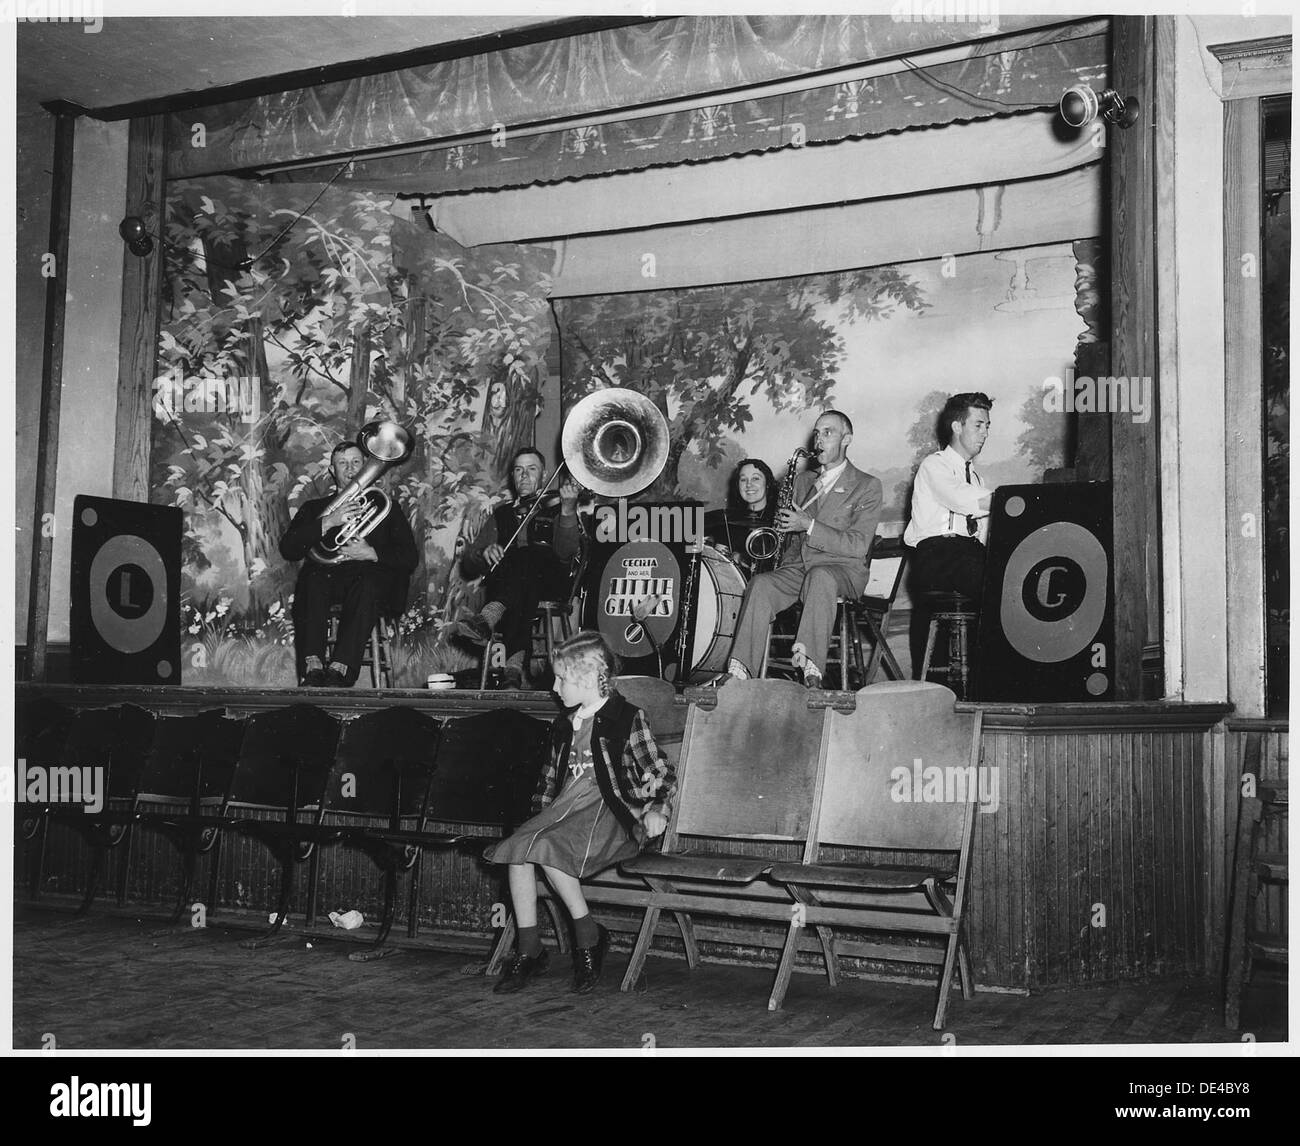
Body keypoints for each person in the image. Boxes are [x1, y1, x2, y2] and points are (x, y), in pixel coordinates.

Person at [487, 631, 676, 995]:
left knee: (546, 846)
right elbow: (548, 783)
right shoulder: (565, 723)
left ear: (588, 678)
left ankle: (586, 935)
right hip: (566, 810)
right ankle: (530, 949)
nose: (555, 687)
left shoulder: (625, 717)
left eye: (562, 678)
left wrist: (658, 810)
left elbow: (661, 772)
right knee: (518, 849)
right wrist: (535, 821)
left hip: (609, 812)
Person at [724, 411, 883, 689]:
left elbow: (858, 545)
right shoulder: (802, 481)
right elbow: (794, 540)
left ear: (847, 439)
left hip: (842, 571)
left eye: (828, 433)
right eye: (817, 433)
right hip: (800, 568)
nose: (819, 439)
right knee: (761, 584)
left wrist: (808, 525)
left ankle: (811, 672)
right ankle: (739, 673)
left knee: (820, 576)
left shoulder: (867, 485)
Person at [280, 440, 418, 687]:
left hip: (369, 584)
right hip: (327, 582)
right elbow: (288, 548)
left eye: (356, 462)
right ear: (332, 470)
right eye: (342, 463)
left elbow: (410, 557)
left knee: (369, 582)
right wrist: (328, 521)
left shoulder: (386, 506)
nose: (350, 468)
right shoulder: (315, 508)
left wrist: (372, 553)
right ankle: (312, 665)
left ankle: (340, 669)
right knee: (312, 578)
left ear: (366, 466)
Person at [447, 446, 583, 689]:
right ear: (512, 477)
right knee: (519, 574)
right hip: (516, 589)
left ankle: (488, 617)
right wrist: (483, 552)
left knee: (527, 557)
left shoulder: (557, 508)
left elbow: (566, 553)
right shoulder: (501, 514)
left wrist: (568, 510)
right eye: (518, 470)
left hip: (551, 584)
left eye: (532, 470)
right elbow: (469, 562)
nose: (524, 476)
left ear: (544, 475)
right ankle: (513, 668)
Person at [903, 392, 994, 602]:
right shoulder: (934, 465)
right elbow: (960, 499)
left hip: (969, 554)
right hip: (937, 555)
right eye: (978, 425)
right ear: (957, 427)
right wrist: (1008, 500)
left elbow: (984, 532)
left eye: (987, 427)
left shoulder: (977, 480)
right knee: (993, 582)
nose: (985, 434)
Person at [703, 458, 778, 573]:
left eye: (755, 478)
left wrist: (742, 558)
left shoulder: (780, 520)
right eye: (743, 480)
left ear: (767, 483)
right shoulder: (728, 521)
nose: (749, 484)